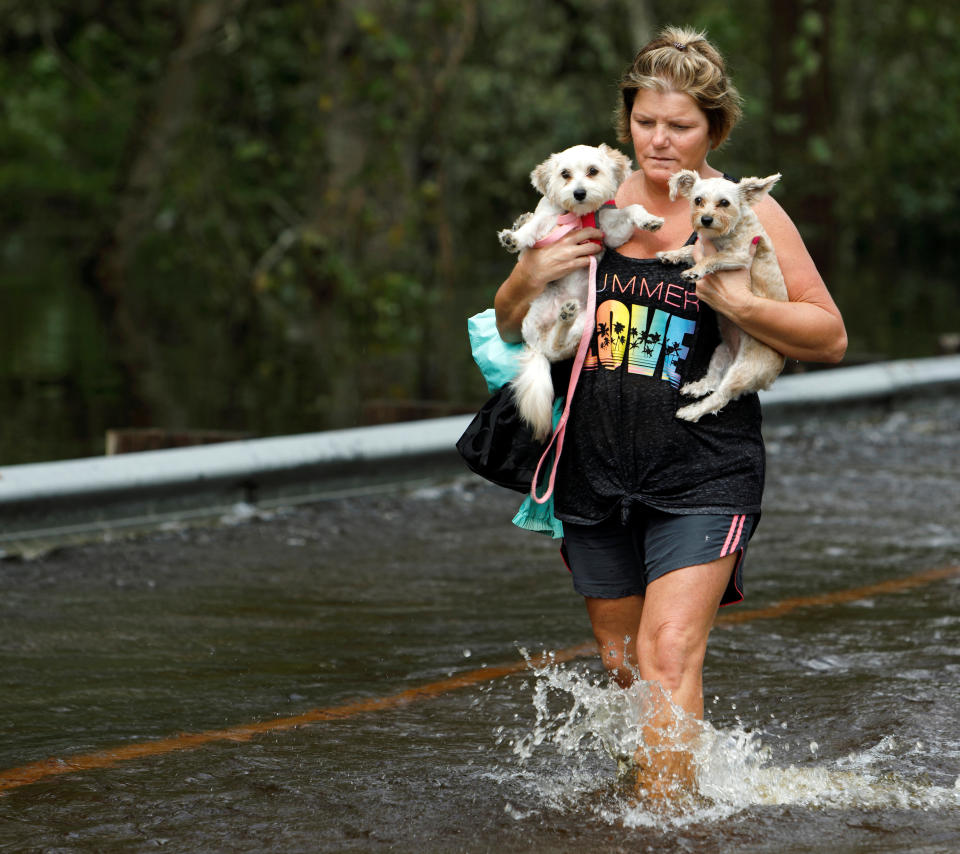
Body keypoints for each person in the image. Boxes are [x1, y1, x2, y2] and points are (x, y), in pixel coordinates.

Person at [493, 26, 847, 797]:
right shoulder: (588, 195)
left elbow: (830, 334)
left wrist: (742, 299)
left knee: (668, 653)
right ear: (628, 122)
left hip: (705, 468)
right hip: (594, 469)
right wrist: (530, 273)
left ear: (713, 129)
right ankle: (675, 783)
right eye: (646, 122)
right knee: (624, 667)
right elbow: (506, 317)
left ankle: (667, 825)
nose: (659, 140)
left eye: (679, 126)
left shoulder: (747, 210)